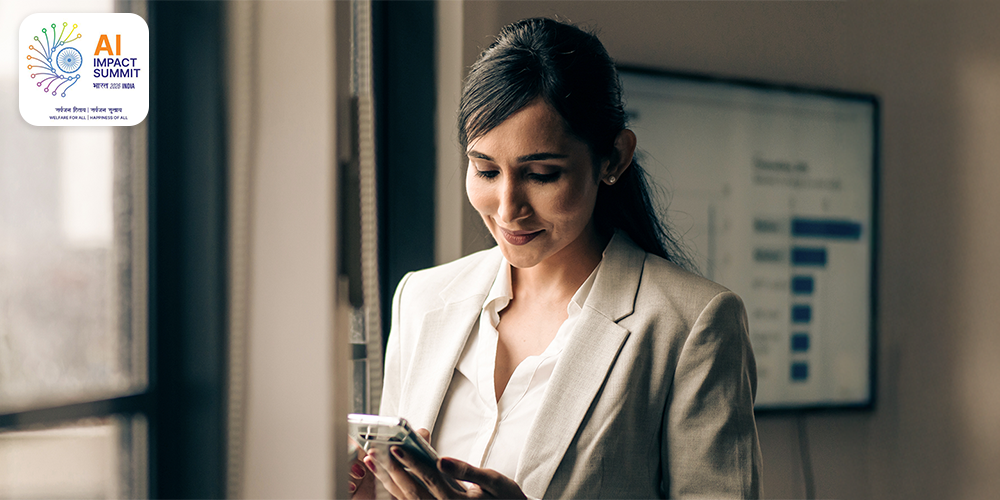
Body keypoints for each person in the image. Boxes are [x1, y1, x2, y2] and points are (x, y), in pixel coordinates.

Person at [350, 17, 762, 499]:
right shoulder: (420, 299)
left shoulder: (690, 324)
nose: (508, 209)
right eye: (485, 170)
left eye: (542, 174)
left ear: (614, 159)